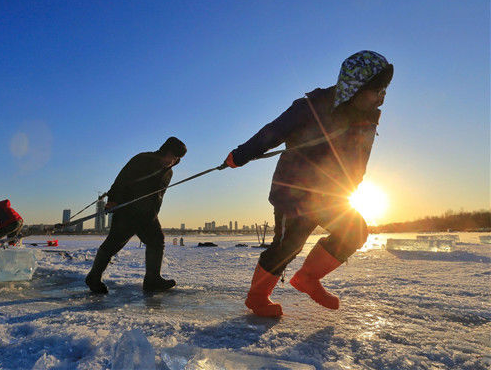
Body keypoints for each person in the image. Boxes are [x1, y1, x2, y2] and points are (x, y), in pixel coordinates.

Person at [223, 51, 393, 317]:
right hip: (295, 192)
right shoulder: (313, 106)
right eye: (377, 90)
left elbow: (359, 161)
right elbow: (274, 131)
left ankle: (308, 278)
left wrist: (352, 186)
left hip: (331, 196)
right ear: (356, 86)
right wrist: (240, 155)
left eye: (384, 91)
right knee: (288, 246)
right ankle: (257, 297)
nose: (382, 97)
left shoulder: (367, 119)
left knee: (355, 230)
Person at [85, 137, 187, 293]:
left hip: (148, 214)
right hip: (128, 211)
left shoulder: (169, 172)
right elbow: (120, 181)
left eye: (176, 159)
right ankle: (94, 277)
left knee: (156, 240)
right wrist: (112, 200)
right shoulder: (142, 159)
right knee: (113, 244)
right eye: (171, 156)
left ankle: (152, 280)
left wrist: (154, 213)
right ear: (164, 151)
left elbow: (158, 196)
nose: (172, 161)